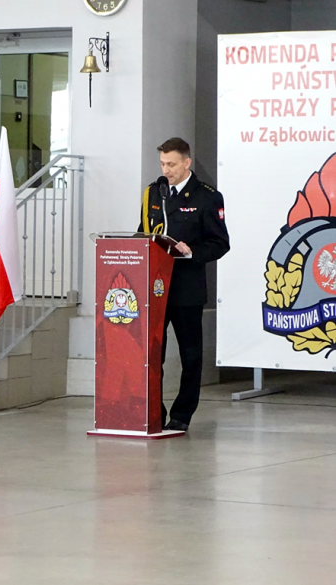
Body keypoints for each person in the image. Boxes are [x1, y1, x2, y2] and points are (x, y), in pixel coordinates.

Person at [140, 137, 230, 432]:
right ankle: (155, 411)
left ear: (187, 162)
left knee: (191, 356)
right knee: (153, 355)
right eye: (163, 164)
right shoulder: (154, 193)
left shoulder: (207, 197)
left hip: (187, 289)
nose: (166, 170)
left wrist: (191, 252)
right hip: (155, 289)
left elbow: (220, 243)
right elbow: (142, 233)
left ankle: (182, 414)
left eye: (172, 164)